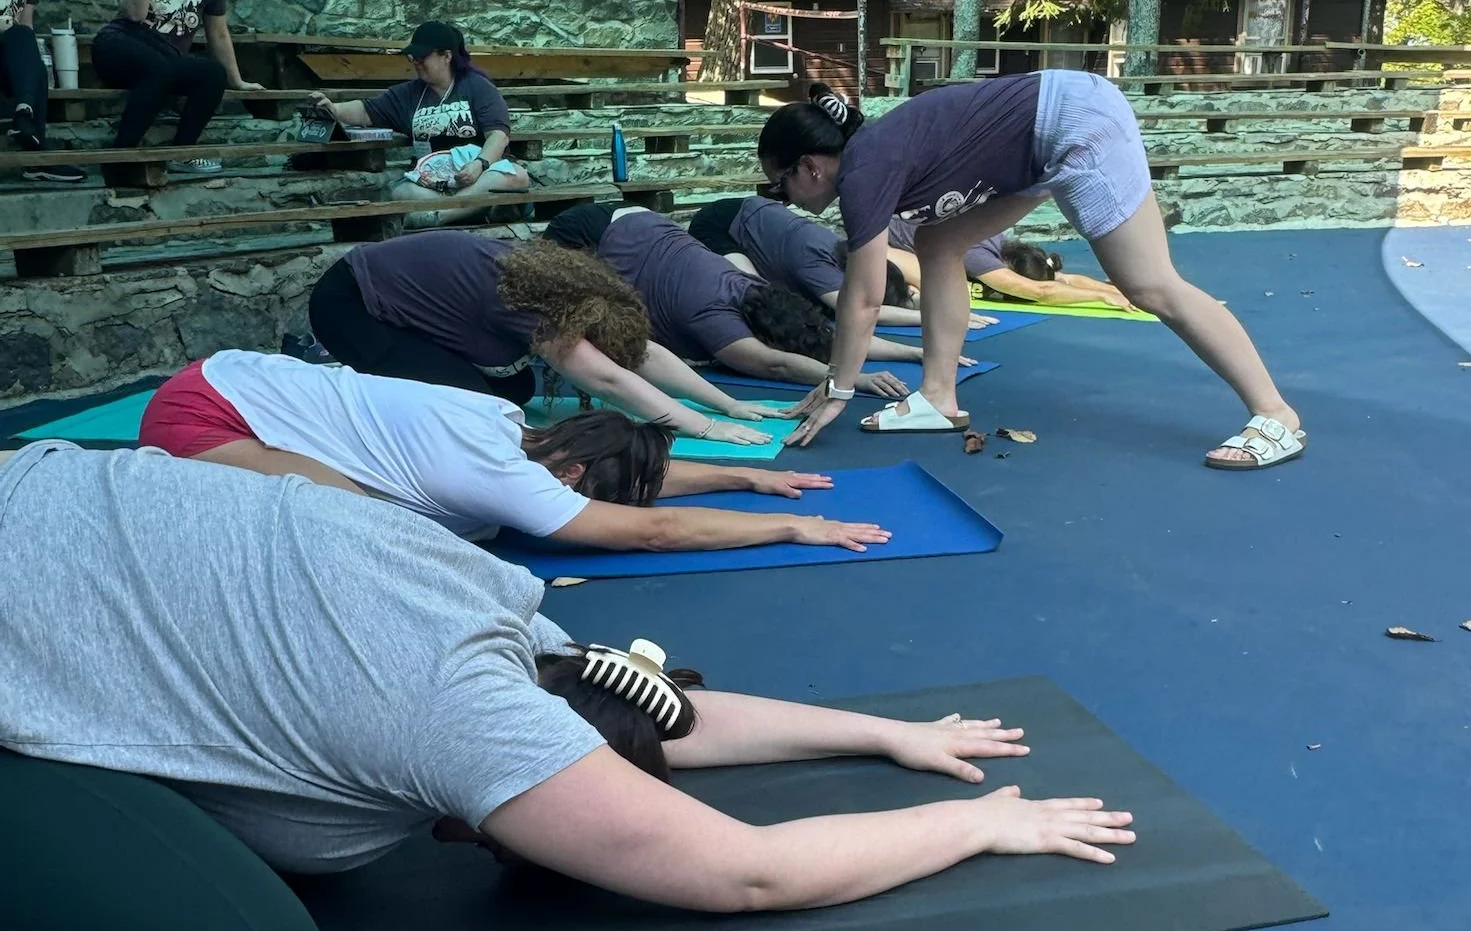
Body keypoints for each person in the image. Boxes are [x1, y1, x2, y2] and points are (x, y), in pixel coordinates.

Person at [0, 441, 1131, 931]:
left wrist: (881, 733)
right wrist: (982, 823)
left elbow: (664, 705)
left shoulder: (498, 601)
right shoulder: (463, 716)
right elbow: (753, 871)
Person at [760, 80, 1305, 469]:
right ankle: (938, 398)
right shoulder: (872, 152)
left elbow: (863, 298)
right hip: (1045, 134)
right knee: (939, 241)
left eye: (776, 186)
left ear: (809, 166)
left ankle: (1276, 415)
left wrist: (838, 387)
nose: (781, 200)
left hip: (1075, 125)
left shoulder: (864, 171)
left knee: (1149, 285)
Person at [139, 351, 890, 556]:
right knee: (360, 530)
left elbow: (635, 486)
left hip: (238, 375)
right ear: (569, 477)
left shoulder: (507, 420)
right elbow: (653, 528)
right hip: (201, 416)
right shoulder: (505, 481)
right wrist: (793, 527)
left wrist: (747, 478)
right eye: (598, 495)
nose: (605, 507)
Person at [307, 232, 776, 447]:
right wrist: (703, 426)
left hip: (404, 299)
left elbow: (642, 354)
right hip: (351, 304)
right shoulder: (534, 308)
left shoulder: (568, 292)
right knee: (479, 414)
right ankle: (349, 394)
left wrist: (726, 405)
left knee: (518, 390)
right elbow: (608, 379)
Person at [546, 201, 923, 397]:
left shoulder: (755, 286)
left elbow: (826, 335)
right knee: (579, 323)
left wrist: (914, 352)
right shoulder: (716, 317)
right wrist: (854, 379)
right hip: (584, 237)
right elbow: (775, 365)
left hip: (637, 221)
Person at [88, 0, 261, 172]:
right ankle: (120, 158)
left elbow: (218, 33)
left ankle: (181, 152)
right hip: (120, 44)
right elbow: (133, 13)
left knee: (212, 74)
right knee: (159, 68)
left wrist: (237, 81)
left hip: (165, 59)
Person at [688, 193, 998, 330]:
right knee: (754, 292)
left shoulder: (856, 252)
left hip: (759, 216)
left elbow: (900, 284)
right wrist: (935, 318)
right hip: (719, 224)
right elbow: (862, 310)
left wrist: (934, 304)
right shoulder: (817, 264)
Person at [309, 21, 531, 205]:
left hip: (478, 175)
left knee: (516, 176)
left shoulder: (478, 87)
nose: (415, 62)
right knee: (402, 193)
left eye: (422, 56)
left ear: (446, 56)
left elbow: (498, 135)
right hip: (432, 182)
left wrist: (479, 164)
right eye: (412, 57)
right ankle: (458, 210)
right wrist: (334, 109)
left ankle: (441, 215)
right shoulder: (408, 94)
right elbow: (366, 110)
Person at [0, 0, 84, 187]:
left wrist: (33, 66)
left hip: (8, 57)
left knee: (24, 38)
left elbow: (26, 21)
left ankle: (25, 116)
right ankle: (37, 156)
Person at [883, 213, 1133, 312]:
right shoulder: (977, 255)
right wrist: (1102, 298)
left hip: (908, 233)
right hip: (879, 246)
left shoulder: (1000, 243)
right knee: (939, 287)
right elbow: (1041, 291)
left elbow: (1059, 278)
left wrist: (1115, 290)